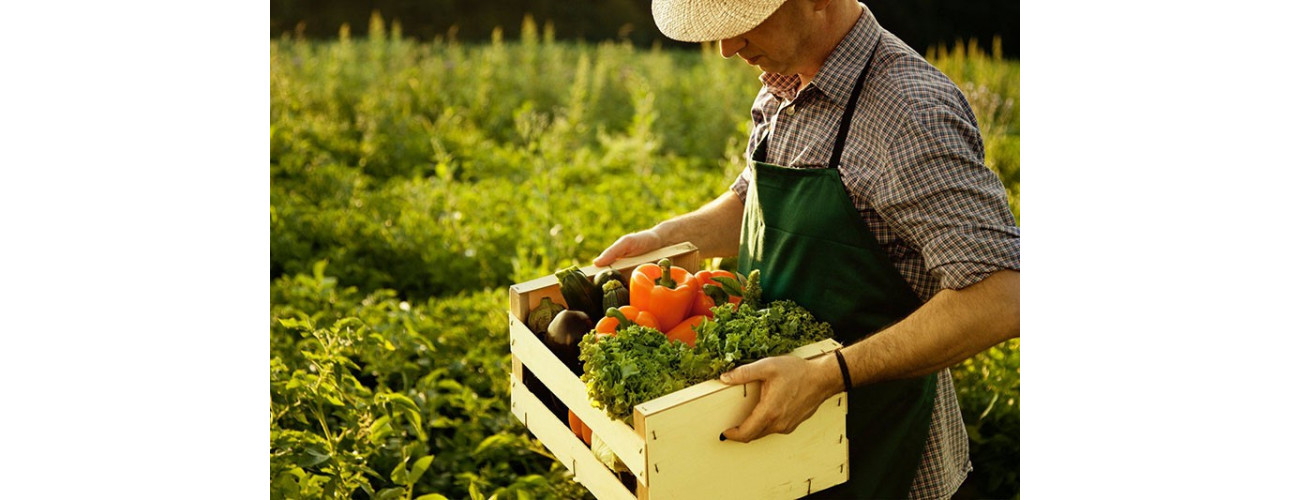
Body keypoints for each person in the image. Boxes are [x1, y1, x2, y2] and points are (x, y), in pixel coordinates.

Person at [592, 0, 1020, 498]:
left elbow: (1003, 296)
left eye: (744, 24)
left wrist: (826, 375)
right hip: (782, 451)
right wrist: (666, 237)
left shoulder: (907, 111)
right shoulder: (787, 82)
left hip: (881, 453)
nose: (727, 48)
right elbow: (754, 200)